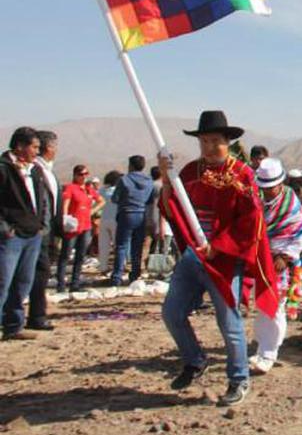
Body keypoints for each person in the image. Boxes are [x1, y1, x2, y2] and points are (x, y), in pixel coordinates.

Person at [159, 111, 278, 406]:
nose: (209, 147)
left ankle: (239, 379)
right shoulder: (188, 172)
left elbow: (250, 221)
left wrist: (219, 246)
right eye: (204, 141)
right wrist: (164, 178)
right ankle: (195, 359)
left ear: (228, 141)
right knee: (172, 313)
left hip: (225, 259)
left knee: (228, 321)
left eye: (215, 141)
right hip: (193, 257)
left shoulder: (242, 175)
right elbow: (171, 207)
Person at [251, 158, 302, 373]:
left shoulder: (290, 205)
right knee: (262, 306)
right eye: (264, 188)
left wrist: (285, 257)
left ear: (281, 183)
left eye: (272, 187)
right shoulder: (257, 200)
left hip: (281, 263)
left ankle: (268, 353)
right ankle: (263, 347)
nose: (268, 192)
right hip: (260, 259)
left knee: (274, 306)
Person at [0, 127, 47, 340]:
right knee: (3, 281)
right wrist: (5, 228)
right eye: (34, 147)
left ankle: (13, 326)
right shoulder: (4, 169)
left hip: (32, 234)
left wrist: (41, 225)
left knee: (23, 283)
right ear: (19, 146)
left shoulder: (34, 170)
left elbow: (41, 200)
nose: (37, 151)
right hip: (11, 235)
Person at [25, 130, 63, 331]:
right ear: (49, 147)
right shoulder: (35, 171)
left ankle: (37, 314)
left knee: (42, 272)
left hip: (48, 231)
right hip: (37, 231)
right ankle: (35, 316)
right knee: (34, 273)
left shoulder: (48, 171)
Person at [111, 155, 155, 286]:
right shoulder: (149, 181)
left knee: (121, 246)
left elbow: (115, 198)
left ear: (130, 165)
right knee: (137, 247)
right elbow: (150, 200)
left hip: (126, 213)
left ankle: (117, 277)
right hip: (141, 214)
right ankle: (135, 274)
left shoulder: (124, 180)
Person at [58, 165, 100, 293]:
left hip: (86, 225)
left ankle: (74, 283)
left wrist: (92, 211)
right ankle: (61, 284)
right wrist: (65, 218)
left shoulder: (88, 189)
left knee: (80, 255)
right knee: (66, 255)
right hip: (73, 226)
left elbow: (101, 200)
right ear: (75, 175)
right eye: (81, 174)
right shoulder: (70, 188)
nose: (84, 177)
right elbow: (66, 204)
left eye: (86, 174)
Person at [97, 171, 122, 275]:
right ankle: (119, 266)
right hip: (116, 220)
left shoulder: (101, 190)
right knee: (118, 245)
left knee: (103, 245)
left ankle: (103, 267)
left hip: (103, 220)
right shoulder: (119, 191)